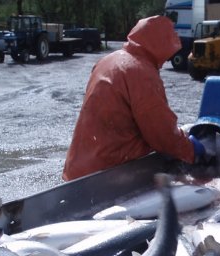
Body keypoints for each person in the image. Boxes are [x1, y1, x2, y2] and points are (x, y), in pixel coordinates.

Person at [63, 15, 208, 181]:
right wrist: (191, 150)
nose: (168, 57)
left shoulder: (109, 60)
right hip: (107, 175)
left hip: (79, 168)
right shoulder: (141, 72)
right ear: (159, 44)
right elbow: (161, 133)